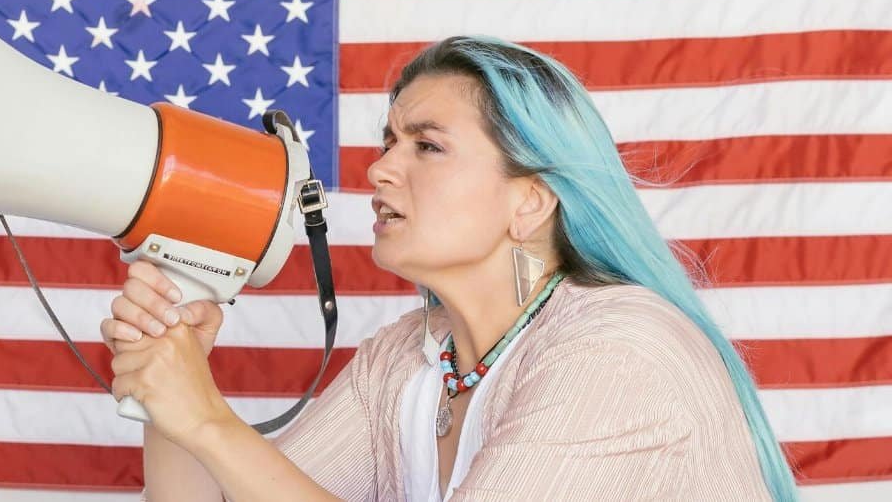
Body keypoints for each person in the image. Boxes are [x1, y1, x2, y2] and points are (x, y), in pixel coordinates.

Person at [99, 36, 799, 501]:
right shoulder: (407, 360)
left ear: (531, 200)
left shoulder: (620, 349)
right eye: (388, 141)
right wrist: (173, 396)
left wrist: (211, 419)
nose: (377, 169)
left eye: (427, 146)